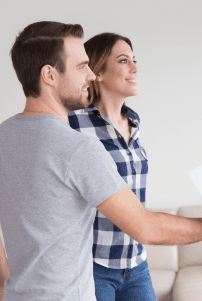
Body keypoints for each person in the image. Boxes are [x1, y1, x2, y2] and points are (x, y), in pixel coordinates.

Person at [0, 21, 202, 301]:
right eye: (81, 66)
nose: (90, 75)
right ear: (49, 75)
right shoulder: (78, 148)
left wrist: (3, 285)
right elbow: (144, 227)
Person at [66, 32, 153, 300]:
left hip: (136, 264)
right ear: (98, 72)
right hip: (94, 266)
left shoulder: (134, 124)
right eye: (124, 61)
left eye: (134, 60)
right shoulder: (74, 124)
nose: (135, 68)